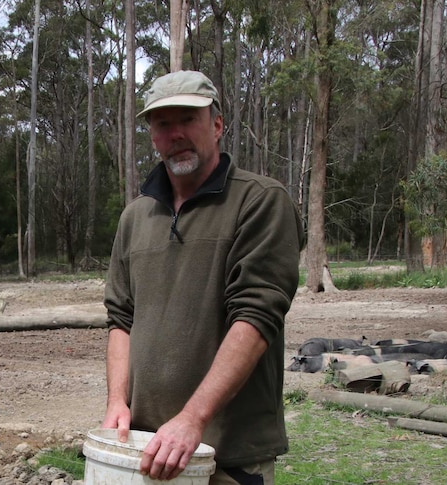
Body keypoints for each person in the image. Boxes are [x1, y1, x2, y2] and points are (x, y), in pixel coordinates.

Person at [102, 70, 304, 484]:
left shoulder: (260, 201)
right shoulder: (135, 217)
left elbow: (256, 317)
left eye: (188, 119)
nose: (176, 133)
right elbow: (121, 319)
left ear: (216, 125)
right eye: (163, 123)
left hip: (225, 455)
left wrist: (193, 419)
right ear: (153, 136)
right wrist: (116, 402)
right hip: (145, 449)